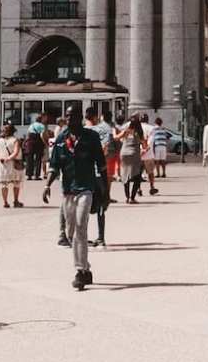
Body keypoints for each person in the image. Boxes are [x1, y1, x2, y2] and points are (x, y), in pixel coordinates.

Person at [48, 107, 105, 290]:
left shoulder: (91, 137)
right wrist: (46, 185)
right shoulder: (61, 139)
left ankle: (79, 271)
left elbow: (101, 165)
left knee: (81, 226)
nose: (70, 118)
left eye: (74, 116)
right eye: (68, 115)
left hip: (86, 189)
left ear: (81, 118)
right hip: (68, 191)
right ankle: (86, 268)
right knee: (72, 232)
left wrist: (106, 192)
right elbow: (55, 165)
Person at [0, 123, 23, 208]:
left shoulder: (0, 141)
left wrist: (0, 158)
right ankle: (16, 201)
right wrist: (8, 159)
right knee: (16, 183)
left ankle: (5, 202)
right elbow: (16, 153)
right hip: (13, 164)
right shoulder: (15, 140)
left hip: (2, 165)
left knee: (4, 184)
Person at [118, 115, 147, 203]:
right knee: (137, 176)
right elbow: (144, 145)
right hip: (134, 154)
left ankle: (127, 197)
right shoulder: (139, 132)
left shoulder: (126, 131)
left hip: (124, 154)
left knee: (125, 175)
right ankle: (132, 198)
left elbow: (117, 138)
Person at [149, 116, 172, 185]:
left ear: (156, 122)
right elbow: (168, 136)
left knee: (157, 161)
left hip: (157, 145)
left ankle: (158, 173)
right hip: (163, 145)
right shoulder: (163, 129)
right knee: (163, 160)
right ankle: (164, 173)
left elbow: (152, 137)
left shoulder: (154, 129)